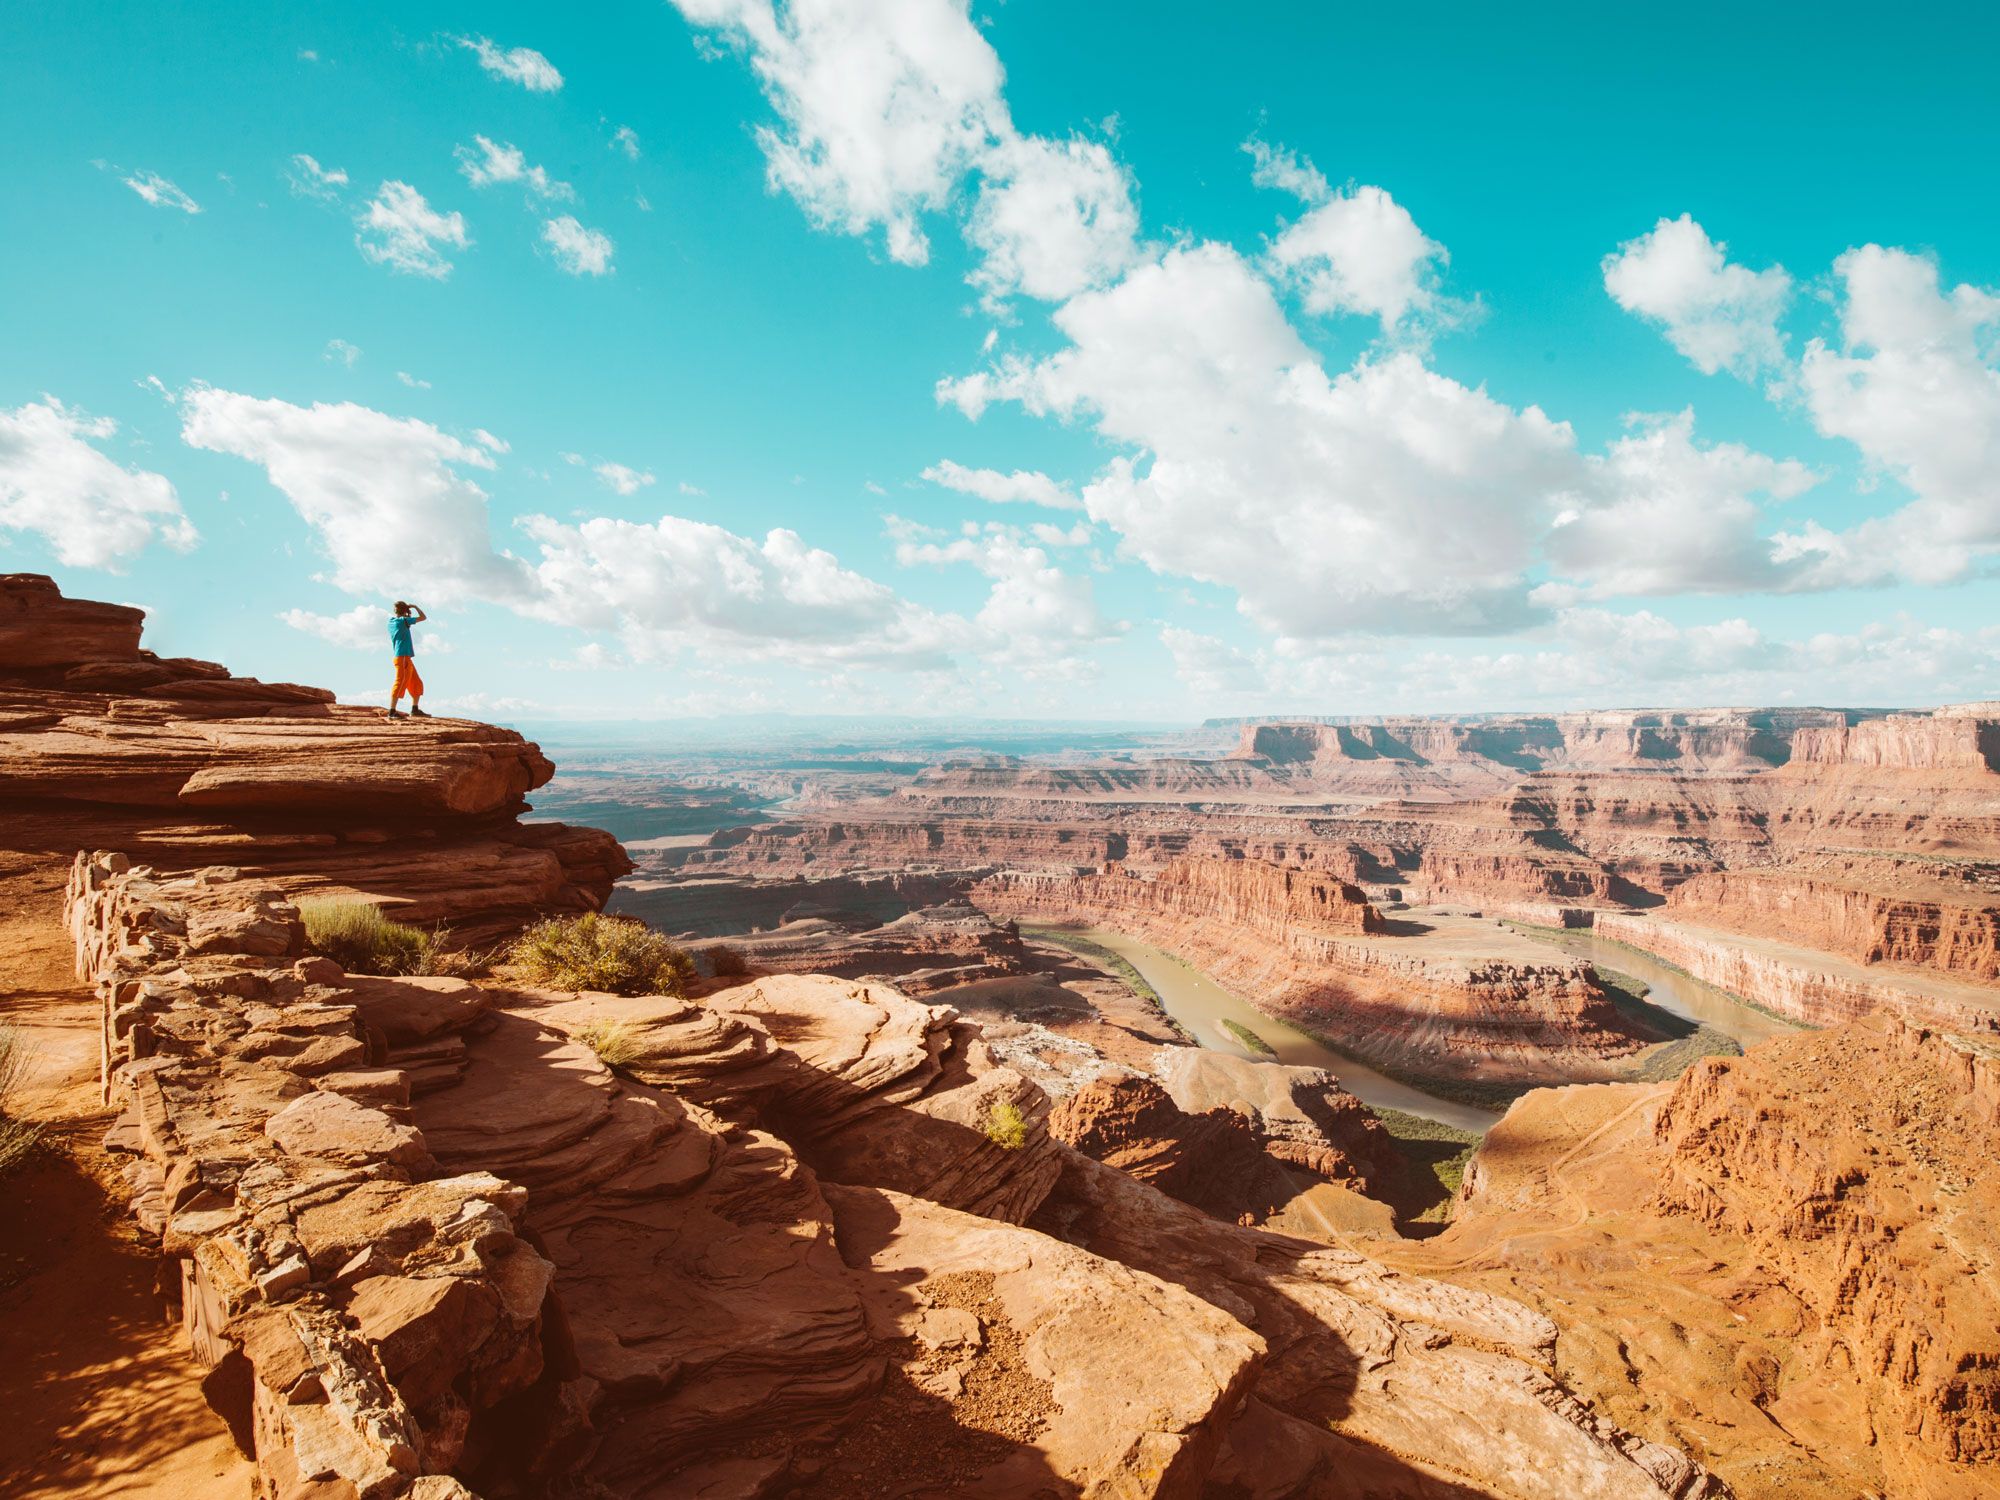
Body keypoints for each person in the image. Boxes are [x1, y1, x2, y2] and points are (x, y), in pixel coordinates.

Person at [387, 601, 429, 719]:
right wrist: (415, 607)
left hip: (404, 657)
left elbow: (404, 622)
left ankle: (414, 709)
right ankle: (391, 711)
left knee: (416, 682)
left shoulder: (391, 622)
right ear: (404, 610)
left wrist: (406, 611)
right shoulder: (403, 621)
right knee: (400, 682)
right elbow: (423, 617)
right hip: (403, 656)